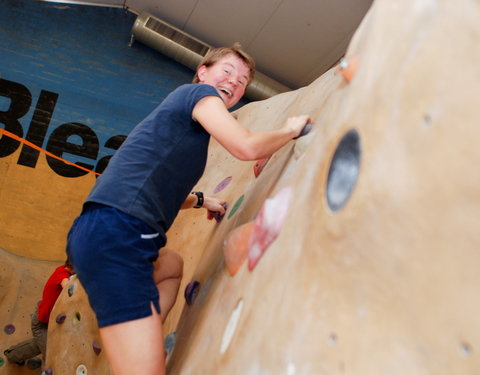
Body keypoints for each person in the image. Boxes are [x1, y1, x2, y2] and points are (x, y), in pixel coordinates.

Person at [66, 43, 311, 375]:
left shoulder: (183, 127)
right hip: (119, 236)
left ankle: (143, 337)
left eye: (242, 82)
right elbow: (245, 145)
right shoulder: (196, 97)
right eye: (228, 71)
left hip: (104, 231)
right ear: (203, 71)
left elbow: (160, 186)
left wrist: (201, 200)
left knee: (170, 265)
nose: (235, 82)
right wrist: (290, 130)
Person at [3, 259, 75, 369]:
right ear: (72, 267)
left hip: (48, 320)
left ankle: (12, 355)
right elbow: (67, 287)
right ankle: (12, 355)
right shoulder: (62, 275)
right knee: (50, 354)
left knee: (39, 345)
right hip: (40, 324)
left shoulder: (64, 270)